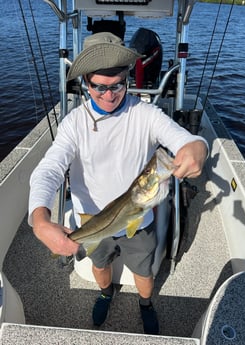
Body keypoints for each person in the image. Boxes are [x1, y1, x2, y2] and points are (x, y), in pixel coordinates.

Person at [28, 32, 208, 335]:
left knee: (144, 269)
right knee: (100, 265)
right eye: (99, 87)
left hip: (141, 217)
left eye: (118, 85)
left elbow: (185, 139)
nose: (109, 95)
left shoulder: (146, 114)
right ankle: (105, 293)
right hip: (93, 219)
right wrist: (39, 218)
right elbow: (49, 168)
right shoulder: (73, 123)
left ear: (127, 78)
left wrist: (197, 146)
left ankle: (146, 303)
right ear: (85, 83)